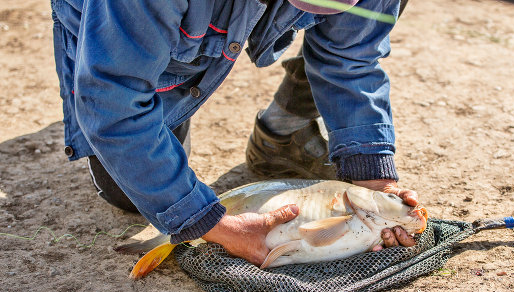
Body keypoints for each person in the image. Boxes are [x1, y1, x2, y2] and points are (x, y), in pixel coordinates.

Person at [51, 0, 417, 266]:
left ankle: (284, 128)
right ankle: (155, 81)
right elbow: (113, 101)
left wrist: (369, 173)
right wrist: (213, 224)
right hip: (127, 30)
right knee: (133, 192)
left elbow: (351, 59)